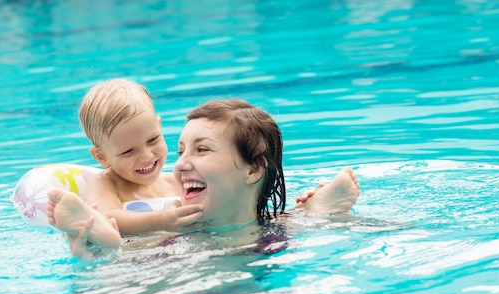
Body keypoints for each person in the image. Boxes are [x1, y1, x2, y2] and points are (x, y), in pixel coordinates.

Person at [47, 99, 360, 255]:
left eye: (201, 150)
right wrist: (99, 264)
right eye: (181, 150)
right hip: (192, 266)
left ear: (253, 169)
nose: (179, 166)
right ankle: (316, 213)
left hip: (256, 241)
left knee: (278, 221)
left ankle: (314, 210)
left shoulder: (278, 227)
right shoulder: (168, 245)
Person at [70, 78, 204, 247]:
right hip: (133, 262)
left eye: (153, 139)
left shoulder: (176, 180)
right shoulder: (105, 184)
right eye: (128, 151)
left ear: (159, 126)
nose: (146, 156)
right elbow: (106, 218)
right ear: (101, 157)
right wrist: (161, 220)